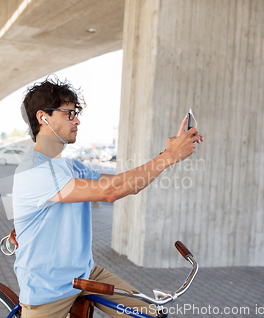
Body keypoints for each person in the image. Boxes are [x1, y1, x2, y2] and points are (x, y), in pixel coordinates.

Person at [12, 77, 203, 318]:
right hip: (48, 289)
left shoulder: (70, 167)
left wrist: (168, 153)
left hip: (84, 274)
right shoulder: (34, 171)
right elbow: (109, 192)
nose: (77, 120)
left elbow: (125, 184)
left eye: (76, 113)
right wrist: (169, 156)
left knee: (151, 315)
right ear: (43, 117)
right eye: (68, 114)